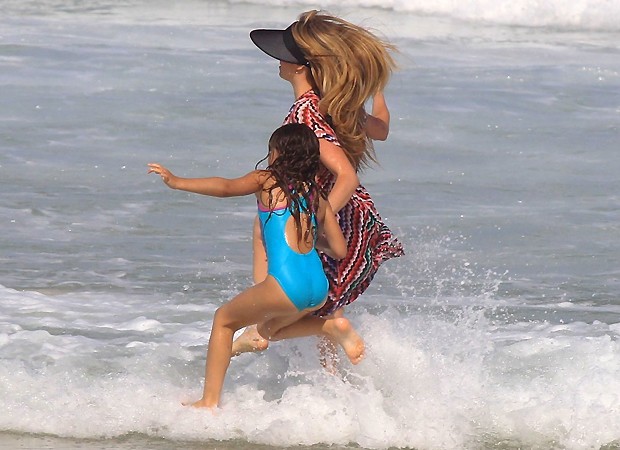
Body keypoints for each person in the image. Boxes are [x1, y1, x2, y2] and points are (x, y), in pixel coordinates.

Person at [147, 123, 363, 409]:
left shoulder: (267, 181)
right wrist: (309, 242)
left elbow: (225, 187)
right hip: (317, 287)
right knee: (268, 331)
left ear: (278, 153)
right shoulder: (317, 197)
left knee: (224, 319)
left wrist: (177, 181)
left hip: (287, 284)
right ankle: (330, 327)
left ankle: (209, 401)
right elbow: (339, 249)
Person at [232, 10, 404, 361]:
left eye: (283, 54)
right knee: (329, 305)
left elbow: (346, 175)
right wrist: (378, 93)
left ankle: (255, 332)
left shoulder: (305, 115)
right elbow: (382, 130)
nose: (277, 60)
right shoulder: (335, 105)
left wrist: (312, 219)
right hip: (356, 215)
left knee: (282, 279)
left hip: (334, 213)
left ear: (299, 67)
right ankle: (333, 382)